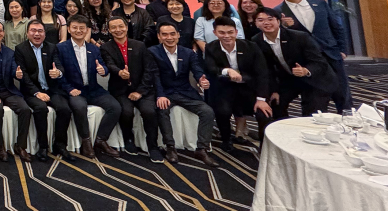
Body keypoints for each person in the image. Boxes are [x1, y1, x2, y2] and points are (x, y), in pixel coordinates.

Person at [274, 0, 351, 112]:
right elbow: (279, 38)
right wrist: (283, 27)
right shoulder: (278, 12)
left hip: (331, 54)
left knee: (342, 94)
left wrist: (342, 50)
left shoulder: (320, 4)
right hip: (306, 60)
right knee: (313, 99)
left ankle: (348, 120)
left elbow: (336, 27)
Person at [147, 23, 216, 166]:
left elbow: (196, 70)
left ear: (178, 35)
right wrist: (160, 95)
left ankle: (202, 148)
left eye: (172, 34)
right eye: (165, 34)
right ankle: (170, 147)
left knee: (207, 111)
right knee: (162, 109)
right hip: (165, 92)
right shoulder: (152, 52)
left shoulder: (188, 52)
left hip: (185, 92)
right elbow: (155, 76)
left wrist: (201, 80)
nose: (169, 37)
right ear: (159, 37)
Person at [52, 15, 121, 158]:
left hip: (93, 89)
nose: (78, 31)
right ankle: (86, 141)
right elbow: (59, 72)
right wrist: (69, 89)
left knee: (115, 107)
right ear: (69, 29)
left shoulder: (93, 49)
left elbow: (103, 66)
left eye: (82, 28)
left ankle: (101, 139)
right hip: (74, 89)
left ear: (87, 30)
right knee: (79, 107)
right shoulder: (60, 48)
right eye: (75, 28)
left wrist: (103, 70)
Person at [252, 7, 336, 119]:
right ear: (256, 24)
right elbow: (267, 69)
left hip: (315, 79)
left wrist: (306, 70)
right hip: (289, 79)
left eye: (270, 19)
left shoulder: (299, 37)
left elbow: (320, 62)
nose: (266, 23)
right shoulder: (256, 41)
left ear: (278, 21)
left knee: (312, 114)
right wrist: (274, 90)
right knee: (275, 104)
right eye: (261, 20)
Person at [204, 17, 273, 151]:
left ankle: (264, 145)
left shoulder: (251, 46)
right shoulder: (211, 47)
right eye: (222, 32)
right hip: (225, 87)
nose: (226, 36)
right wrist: (228, 71)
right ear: (215, 33)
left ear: (236, 32)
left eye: (230, 32)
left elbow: (262, 73)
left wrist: (261, 99)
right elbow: (211, 69)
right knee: (222, 111)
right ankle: (226, 140)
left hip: (249, 87)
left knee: (263, 112)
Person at [100, 16, 162, 160]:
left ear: (126, 27)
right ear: (109, 30)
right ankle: (128, 139)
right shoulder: (106, 48)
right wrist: (119, 72)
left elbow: (149, 70)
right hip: (120, 90)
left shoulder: (140, 45)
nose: (118, 30)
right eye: (113, 27)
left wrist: (140, 91)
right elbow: (109, 64)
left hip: (142, 89)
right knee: (126, 111)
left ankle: (153, 146)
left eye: (121, 26)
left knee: (149, 111)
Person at [0, 20, 34, 162]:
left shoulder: (10, 52)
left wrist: (17, 74)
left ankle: (20, 146)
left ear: (3, 33)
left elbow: (15, 70)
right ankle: (0, 146)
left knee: (25, 110)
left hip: (8, 90)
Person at [14, 20, 66, 161]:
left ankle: (60, 145)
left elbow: (59, 66)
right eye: (33, 30)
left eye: (40, 31)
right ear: (27, 33)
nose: (37, 34)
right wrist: (37, 93)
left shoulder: (52, 47)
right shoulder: (20, 49)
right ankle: (43, 147)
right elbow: (24, 76)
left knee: (64, 108)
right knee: (41, 108)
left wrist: (58, 73)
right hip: (31, 91)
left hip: (51, 89)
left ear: (45, 34)